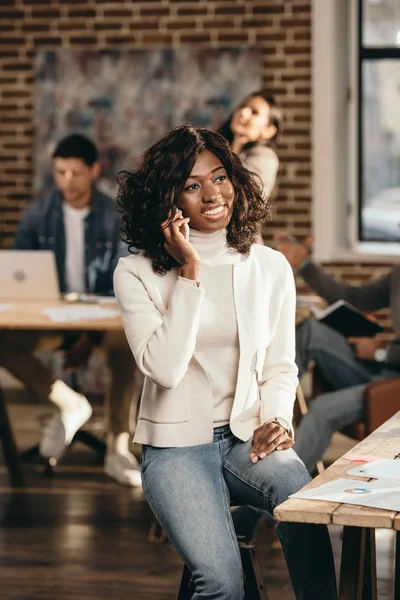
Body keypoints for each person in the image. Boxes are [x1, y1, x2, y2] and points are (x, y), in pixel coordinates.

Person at [114, 125, 337, 599]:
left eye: (220, 177)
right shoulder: (136, 273)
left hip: (246, 439)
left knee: (305, 511)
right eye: (192, 185)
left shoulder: (270, 266)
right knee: (220, 581)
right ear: (169, 198)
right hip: (175, 449)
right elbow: (166, 369)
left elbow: (280, 365)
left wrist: (277, 418)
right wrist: (191, 270)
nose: (212, 194)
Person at [0, 134, 142, 487]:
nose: (68, 181)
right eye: (61, 172)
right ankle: (69, 403)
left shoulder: (114, 216)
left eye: (76, 173)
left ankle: (118, 446)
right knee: (5, 344)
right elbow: (19, 271)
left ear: (94, 171)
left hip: (103, 320)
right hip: (53, 317)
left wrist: (88, 335)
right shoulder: (39, 213)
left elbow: (123, 279)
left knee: (126, 348)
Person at [275, 234, 400, 474]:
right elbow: (355, 298)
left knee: (322, 409)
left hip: (392, 382)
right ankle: (275, 415)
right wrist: (305, 265)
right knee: (310, 330)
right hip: (381, 368)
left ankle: (278, 492)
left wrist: (383, 351)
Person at [218, 91, 281, 243]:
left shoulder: (265, 157)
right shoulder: (214, 152)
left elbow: (237, 190)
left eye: (255, 112)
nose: (243, 112)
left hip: (241, 244)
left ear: (269, 130)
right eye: (242, 106)